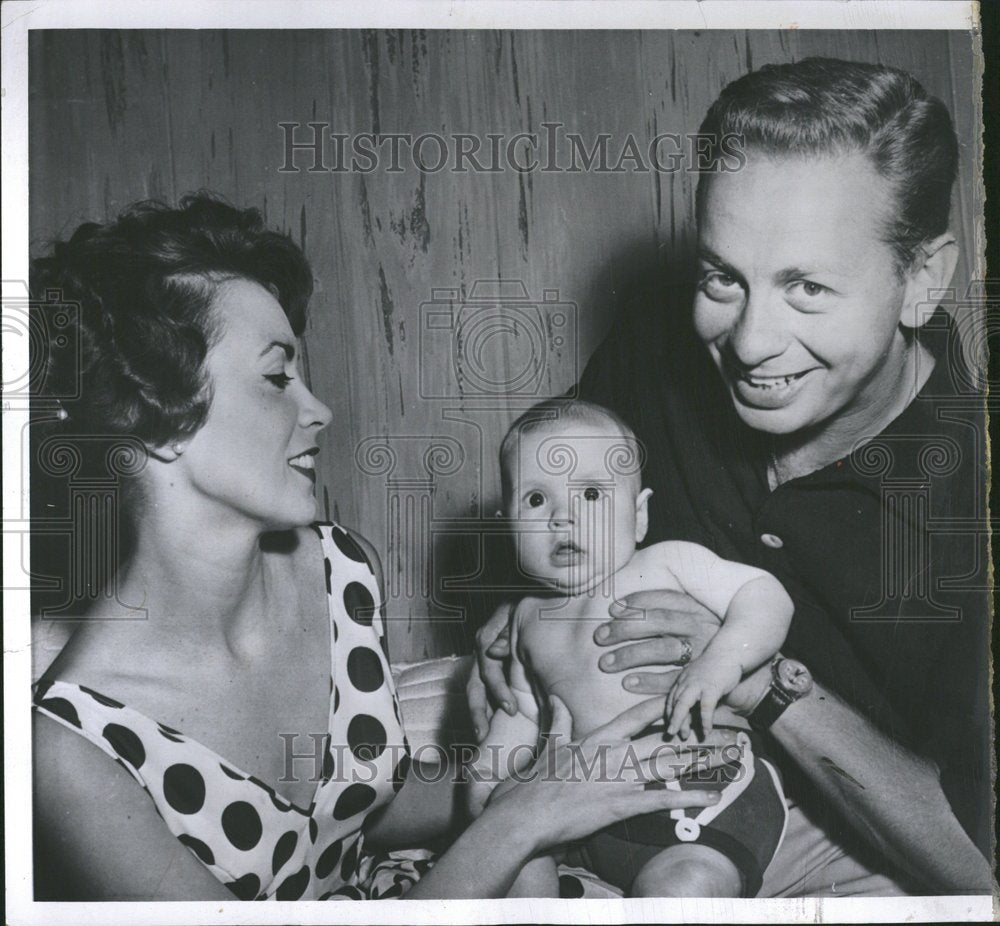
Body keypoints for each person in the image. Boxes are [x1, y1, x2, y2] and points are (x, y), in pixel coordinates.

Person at [29, 194, 723, 901]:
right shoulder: (72, 756)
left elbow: (356, 810)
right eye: (276, 378)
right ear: (149, 415)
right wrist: (521, 821)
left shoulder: (338, 568)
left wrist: (538, 768)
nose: (318, 408)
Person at [469, 58, 993, 895]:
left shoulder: (976, 496)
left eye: (809, 287)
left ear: (922, 280)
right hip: (585, 753)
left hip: (826, 833)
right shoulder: (652, 352)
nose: (749, 344)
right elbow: (557, 515)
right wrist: (515, 629)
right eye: (723, 277)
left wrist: (767, 684)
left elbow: (975, 866)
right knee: (357, 754)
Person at [469, 398, 794, 898]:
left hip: (699, 792)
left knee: (686, 885)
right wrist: (488, 784)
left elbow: (765, 595)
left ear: (639, 515)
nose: (563, 517)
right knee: (510, 862)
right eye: (536, 500)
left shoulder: (665, 563)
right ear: (507, 523)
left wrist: (721, 662)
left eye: (592, 493)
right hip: (578, 807)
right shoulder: (527, 616)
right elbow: (521, 713)